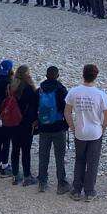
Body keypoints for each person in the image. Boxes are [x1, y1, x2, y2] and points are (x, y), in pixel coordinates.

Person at [65, 64, 107, 202]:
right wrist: (102, 128)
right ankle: (90, 191)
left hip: (80, 131)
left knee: (79, 160)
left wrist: (72, 126)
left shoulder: (74, 91)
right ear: (96, 76)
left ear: (83, 74)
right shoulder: (100, 94)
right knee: (93, 162)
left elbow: (67, 111)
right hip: (95, 132)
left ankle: (76, 190)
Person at [2, 65, 39, 186]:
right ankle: (27, 176)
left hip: (12, 121)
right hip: (26, 123)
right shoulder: (28, 88)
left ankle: (15, 175)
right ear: (26, 74)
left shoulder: (11, 86)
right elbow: (34, 105)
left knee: (15, 149)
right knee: (26, 150)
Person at [36, 65, 70, 193]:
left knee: (43, 155)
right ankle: (61, 183)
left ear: (46, 75)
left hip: (44, 126)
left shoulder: (40, 90)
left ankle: (42, 182)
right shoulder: (61, 89)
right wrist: (67, 125)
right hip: (58, 127)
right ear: (57, 76)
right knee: (59, 156)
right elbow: (66, 109)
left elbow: (36, 107)